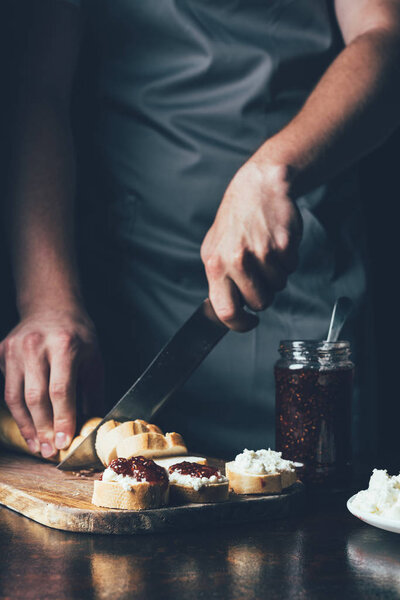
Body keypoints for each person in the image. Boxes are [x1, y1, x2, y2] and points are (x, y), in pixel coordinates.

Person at [0, 0, 399, 461]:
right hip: (124, 296)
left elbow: (385, 36)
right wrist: (47, 299)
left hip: (295, 284)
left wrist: (273, 171)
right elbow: (38, 88)